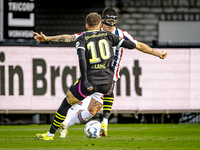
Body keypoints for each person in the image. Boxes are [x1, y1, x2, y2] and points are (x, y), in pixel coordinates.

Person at [33, 8, 167, 138]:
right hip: (101, 79)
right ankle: (93, 122)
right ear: (101, 22)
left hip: (107, 78)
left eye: (113, 22)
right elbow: (69, 37)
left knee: (91, 110)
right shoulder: (100, 35)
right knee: (76, 101)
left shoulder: (118, 34)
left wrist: (158, 53)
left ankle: (65, 126)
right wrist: (48, 38)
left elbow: (138, 45)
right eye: (108, 22)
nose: (111, 25)